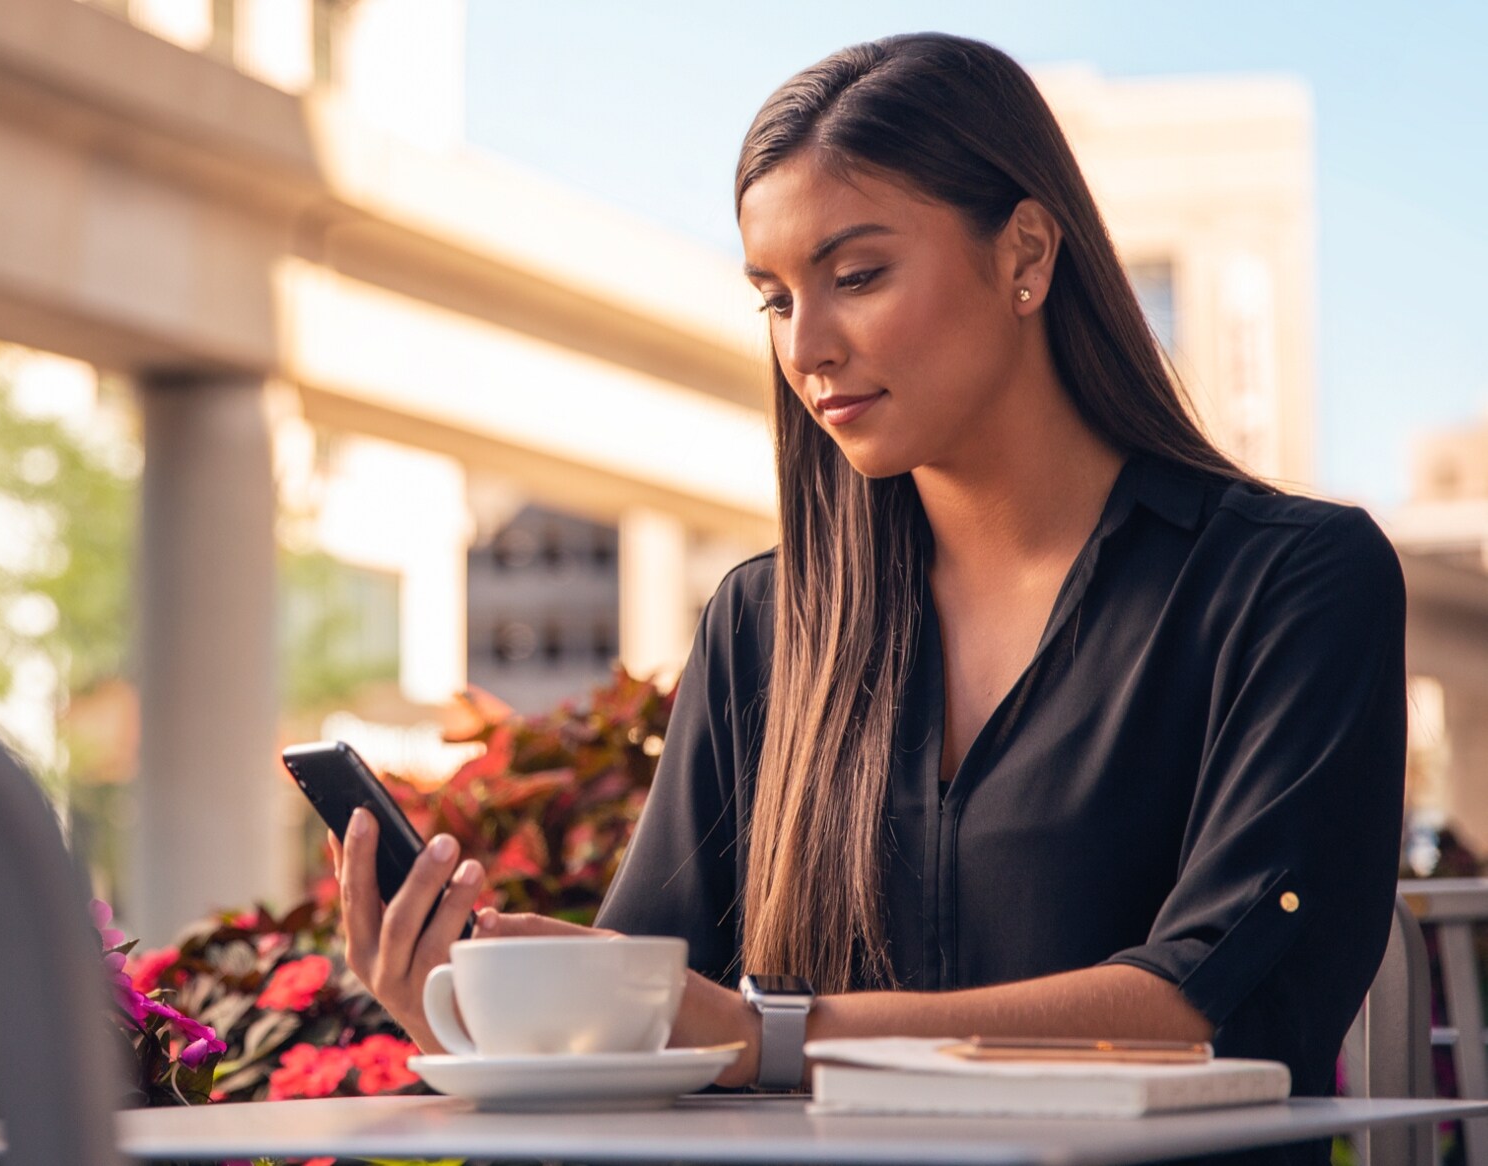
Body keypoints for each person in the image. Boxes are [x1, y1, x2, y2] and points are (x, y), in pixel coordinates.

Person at [332, 32, 1406, 1166]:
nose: (809, 346)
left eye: (855, 276)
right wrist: (470, 1010)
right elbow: (646, 1032)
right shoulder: (764, 627)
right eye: (774, 298)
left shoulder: (1290, 582)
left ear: (1025, 253)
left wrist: (773, 1036)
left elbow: (1208, 1001)